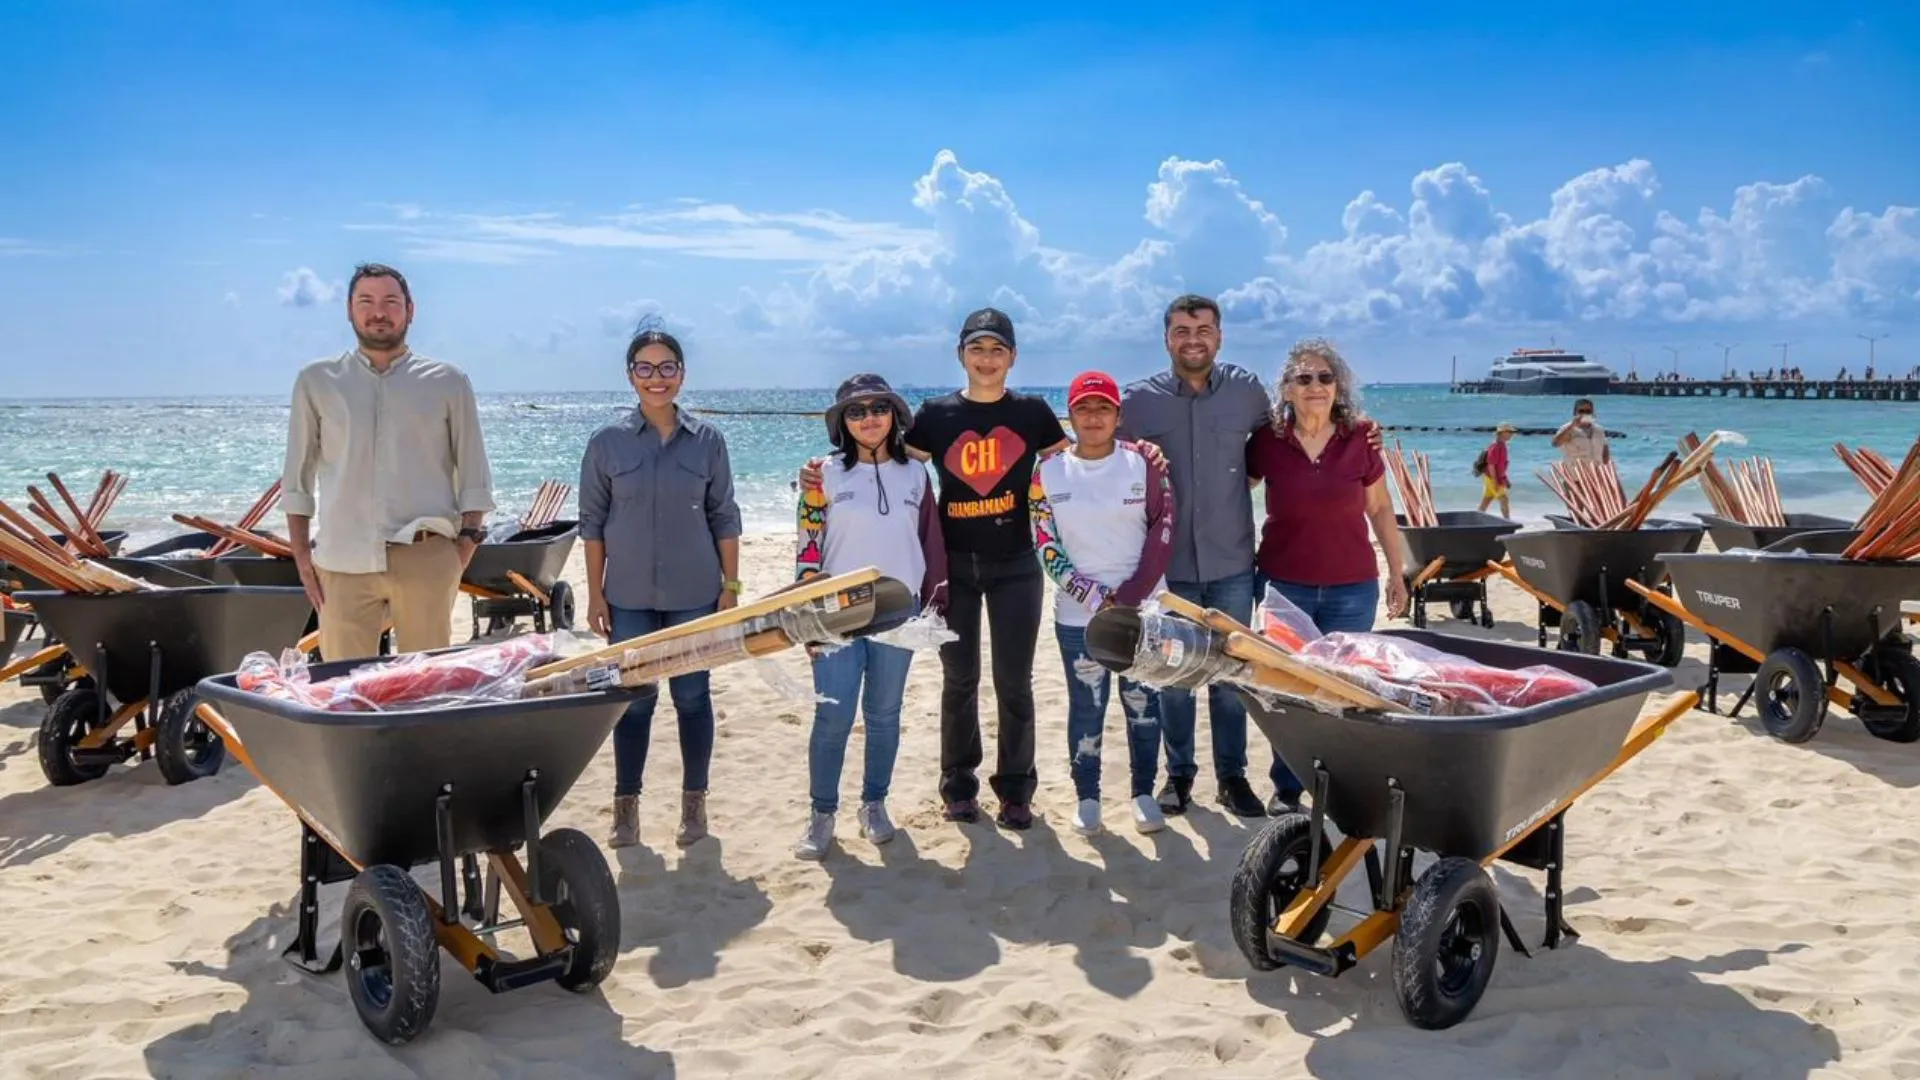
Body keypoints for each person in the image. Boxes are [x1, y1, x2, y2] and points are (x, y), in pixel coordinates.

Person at [1118, 295, 1383, 819]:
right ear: (1166, 337)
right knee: (1173, 677)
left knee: (1232, 678)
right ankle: (1180, 777)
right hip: (1168, 570)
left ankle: (1233, 777)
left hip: (1235, 563)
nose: (1193, 339)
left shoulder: (1245, 393)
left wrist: (1358, 429)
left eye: (1203, 329)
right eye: (1181, 330)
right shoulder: (1139, 402)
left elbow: (1299, 428)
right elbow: (1100, 455)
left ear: (1219, 336)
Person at [579, 327, 743, 851]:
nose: (657, 377)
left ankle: (694, 805)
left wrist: (731, 587)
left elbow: (725, 515)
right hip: (626, 598)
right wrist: (595, 594)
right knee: (634, 703)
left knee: (693, 699)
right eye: (645, 368)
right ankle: (626, 809)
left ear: (682, 374)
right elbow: (592, 524)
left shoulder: (709, 441)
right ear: (630, 375)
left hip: (695, 594)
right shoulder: (606, 443)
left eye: (666, 367)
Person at [282, 262, 495, 663]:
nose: (378, 312)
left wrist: (460, 551)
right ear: (349, 309)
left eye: (390, 301)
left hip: (426, 556)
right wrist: (302, 560)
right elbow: (297, 478)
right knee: (346, 693)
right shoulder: (316, 381)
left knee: (425, 693)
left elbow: (474, 474)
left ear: (410, 310)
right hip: (342, 562)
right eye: (366, 301)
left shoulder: (448, 382)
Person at [791, 373, 947, 860]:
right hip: (837, 613)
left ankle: (874, 804)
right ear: (842, 423)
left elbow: (929, 541)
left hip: (898, 611)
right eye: (856, 412)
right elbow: (808, 549)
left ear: (895, 416)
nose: (869, 419)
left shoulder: (916, 475)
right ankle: (822, 813)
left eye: (878, 408)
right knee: (833, 716)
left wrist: (934, 603)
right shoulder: (823, 474)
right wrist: (806, 618)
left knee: (884, 716)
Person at [1028, 371, 1174, 836]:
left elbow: (1164, 529)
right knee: (1086, 707)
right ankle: (1087, 797)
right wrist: (1091, 595)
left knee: (1142, 704)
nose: (1093, 416)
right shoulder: (1046, 472)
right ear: (1069, 415)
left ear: (1118, 415)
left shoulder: (1145, 464)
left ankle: (1143, 793)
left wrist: (1129, 596)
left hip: (1144, 612)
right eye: (1083, 408)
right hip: (1077, 616)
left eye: (1103, 407)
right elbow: (1045, 544)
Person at [1247, 338, 1410, 653]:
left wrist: (1397, 573)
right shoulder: (1267, 440)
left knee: (1342, 685)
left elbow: (1378, 508)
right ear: (1287, 390)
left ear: (1338, 387)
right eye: (1304, 379)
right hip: (1282, 587)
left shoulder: (1362, 438)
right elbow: (1235, 488)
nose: (1316, 386)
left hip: (1353, 590)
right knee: (1291, 684)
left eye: (1325, 377)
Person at [1475, 422, 1517, 518]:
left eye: (1512, 432)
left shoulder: (1502, 446)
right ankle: (1507, 521)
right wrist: (1495, 481)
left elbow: (1501, 466)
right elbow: (1491, 465)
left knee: (1487, 500)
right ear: (1502, 433)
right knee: (1504, 499)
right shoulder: (1495, 446)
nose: (1511, 435)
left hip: (1494, 477)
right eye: (1509, 432)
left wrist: (1505, 479)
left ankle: (1476, 518)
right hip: (1492, 477)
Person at [1552, 399, 1610, 465]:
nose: (1584, 414)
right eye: (1581, 411)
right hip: (1575, 471)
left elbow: (1605, 451)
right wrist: (1572, 425)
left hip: (1595, 472)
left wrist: (1605, 467)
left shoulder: (1599, 430)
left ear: (1592, 413)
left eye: (1588, 411)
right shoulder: (1568, 429)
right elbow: (1555, 443)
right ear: (1575, 413)